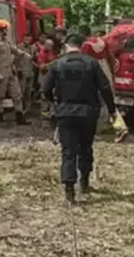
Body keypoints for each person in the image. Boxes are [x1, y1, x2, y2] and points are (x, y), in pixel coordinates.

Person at [42, 32, 119, 205]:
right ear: (82, 46)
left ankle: (69, 190)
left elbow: (45, 89)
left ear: (66, 46)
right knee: (86, 147)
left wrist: (56, 104)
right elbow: (105, 88)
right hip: (88, 113)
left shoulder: (57, 64)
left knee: (68, 151)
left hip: (65, 113)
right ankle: (84, 181)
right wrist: (112, 111)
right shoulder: (92, 63)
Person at [82, 35, 129, 142]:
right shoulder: (104, 43)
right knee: (110, 105)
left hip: (91, 76)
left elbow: (83, 61)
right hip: (106, 73)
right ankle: (120, 127)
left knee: (90, 105)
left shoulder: (86, 46)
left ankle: (92, 131)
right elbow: (111, 59)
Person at [0, 19, 29, 124]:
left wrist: (24, 54)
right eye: (5, 29)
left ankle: (20, 116)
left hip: (10, 72)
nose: (6, 31)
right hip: (1, 73)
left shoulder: (6, 41)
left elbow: (15, 50)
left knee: (17, 94)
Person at [17, 35, 36, 108]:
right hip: (23, 71)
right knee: (22, 90)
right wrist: (18, 69)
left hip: (30, 71)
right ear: (24, 39)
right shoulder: (19, 47)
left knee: (29, 90)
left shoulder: (32, 48)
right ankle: (21, 106)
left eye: (29, 39)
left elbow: (33, 58)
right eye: (26, 39)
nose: (28, 40)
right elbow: (16, 59)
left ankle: (27, 105)